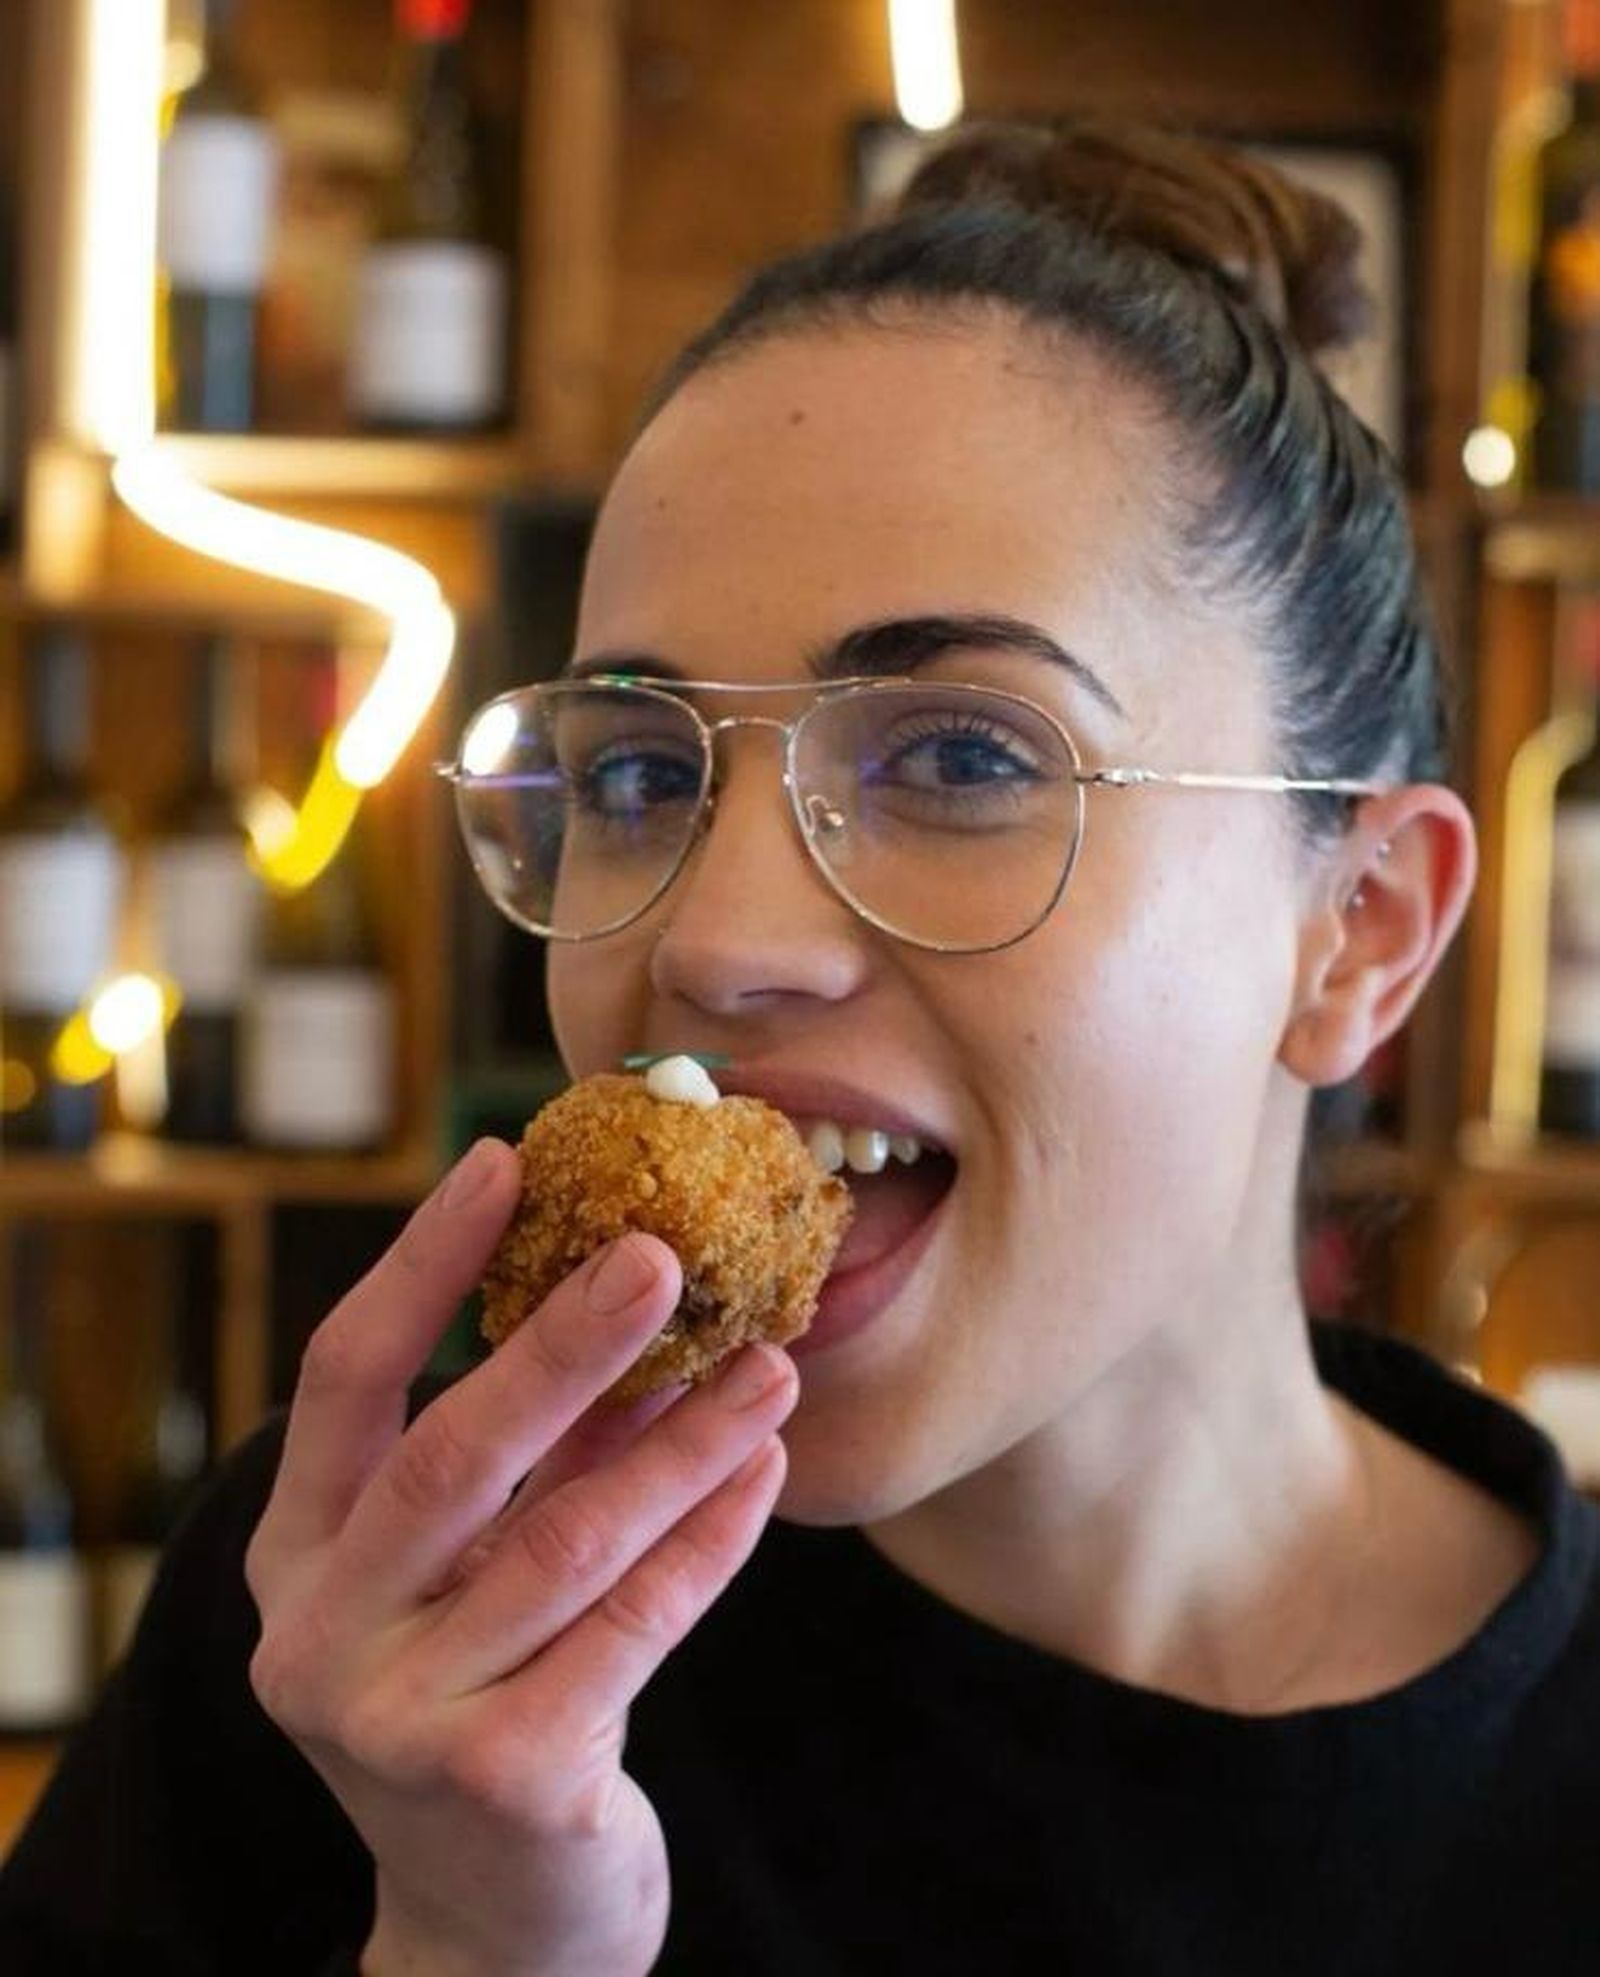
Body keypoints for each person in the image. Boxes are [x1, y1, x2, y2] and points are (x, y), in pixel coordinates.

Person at [3, 117, 1599, 1977]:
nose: (713, 939)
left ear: (1361, 931)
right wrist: (464, 1939)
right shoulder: (356, 1649)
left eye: (965, 757)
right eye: (639, 770)